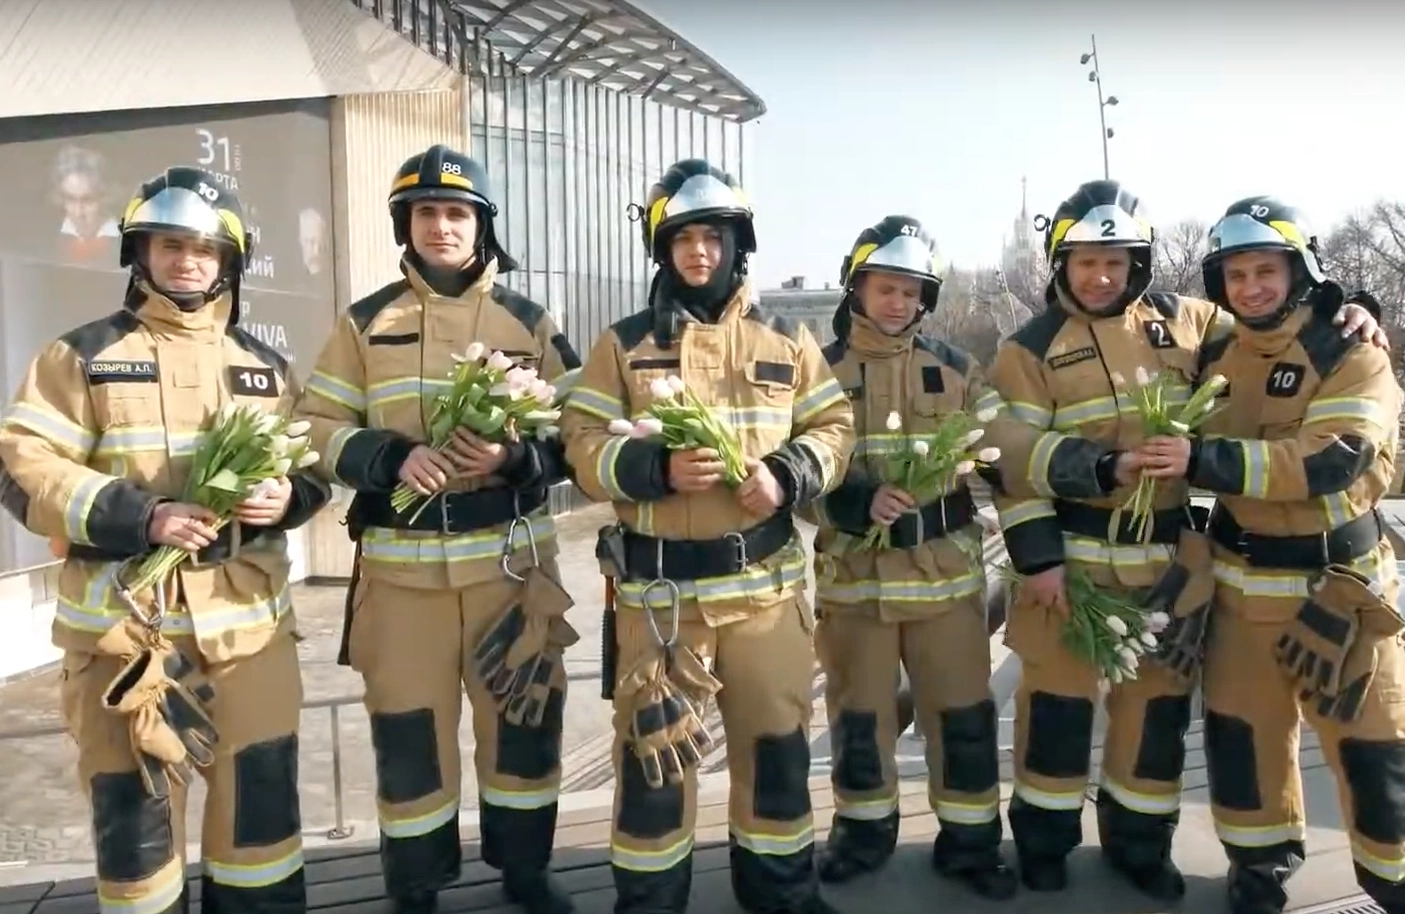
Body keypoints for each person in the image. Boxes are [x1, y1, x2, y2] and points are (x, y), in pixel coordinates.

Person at [988, 179, 1385, 899]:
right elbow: (1008, 461)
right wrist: (1039, 557)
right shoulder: (1027, 349)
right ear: (1061, 264)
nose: (1101, 276)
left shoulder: (1192, 323)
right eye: (1085, 262)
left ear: (1139, 263)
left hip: (1167, 572)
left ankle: (1138, 849)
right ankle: (1043, 845)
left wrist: (1352, 307)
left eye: (1116, 261)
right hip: (1069, 567)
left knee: (1154, 721)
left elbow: (1277, 329)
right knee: (1055, 714)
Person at [0, 165, 329, 914]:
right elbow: (21, 468)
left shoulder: (264, 368)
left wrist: (287, 498)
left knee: (262, 826)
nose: (187, 261)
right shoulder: (80, 357)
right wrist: (139, 517)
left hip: (249, 642)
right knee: (136, 837)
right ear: (138, 252)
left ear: (229, 263)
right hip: (125, 644)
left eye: (205, 249)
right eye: (170, 244)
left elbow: (310, 469)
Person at [560, 158, 855, 914]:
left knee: (777, 752)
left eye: (713, 237)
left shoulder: (787, 340)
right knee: (653, 763)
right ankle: (651, 902)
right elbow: (580, 444)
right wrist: (652, 469)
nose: (698, 252)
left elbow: (834, 427)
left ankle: (780, 893)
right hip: (662, 603)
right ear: (663, 249)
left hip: (765, 598)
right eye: (683, 238)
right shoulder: (621, 345)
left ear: (736, 245)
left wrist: (787, 475)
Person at [292, 145, 580, 914]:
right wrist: (388, 456)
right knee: (408, 738)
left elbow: (581, 432)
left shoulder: (529, 322)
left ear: (481, 226)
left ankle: (525, 872)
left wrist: (515, 458)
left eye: (457, 213)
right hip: (402, 583)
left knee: (523, 727)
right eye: (426, 212)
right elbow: (312, 425)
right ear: (405, 225)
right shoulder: (364, 323)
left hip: (511, 578)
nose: (441, 227)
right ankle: (415, 885)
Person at [1133, 197, 1405, 914]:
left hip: (1339, 597)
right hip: (1239, 595)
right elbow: (1133, 323)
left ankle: (1393, 880)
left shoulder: (1352, 351)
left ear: (1300, 271)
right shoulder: (1219, 351)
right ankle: (1258, 872)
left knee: (1376, 752)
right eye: (1236, 275)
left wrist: (1202, 460)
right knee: (1241, 744)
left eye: (1265, 271)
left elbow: (1333, 461)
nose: (1250, 287)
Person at [802, 215, 1016, 899]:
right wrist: (846, 505)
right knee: (859, 720)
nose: (897, 302)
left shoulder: (956, 369)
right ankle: (863, 835)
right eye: (885, 288)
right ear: (857, 288)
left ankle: (971, 843)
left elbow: (1005, 450)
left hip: (945, 584)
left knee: (962, 719)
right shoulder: (818, 372)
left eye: (910, 291)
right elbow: (792, 472)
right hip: (854, 586)